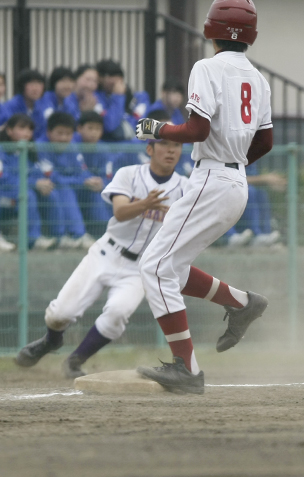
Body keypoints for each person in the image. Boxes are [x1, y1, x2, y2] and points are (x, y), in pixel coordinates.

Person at [134, 0, 272, 394]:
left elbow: (197, 129)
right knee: (170, 268)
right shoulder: (259, 80)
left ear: (210, 31)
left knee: (154, 267)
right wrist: (234, 163)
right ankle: (243, 302)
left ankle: (187, 370)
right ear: (252, 36)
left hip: (211, 177)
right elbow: (265, 141)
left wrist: (157, 128)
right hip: (235, 182)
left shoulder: (206, 67)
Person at [14, 136, 189, 378]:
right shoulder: (129, 174)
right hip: (107, 252)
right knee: (59, 315)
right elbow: (119, 211)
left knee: (117, 314)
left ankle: (75, 360)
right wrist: (145, 204)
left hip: (141, 267)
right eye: (164, 144)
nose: (171, 150)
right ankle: (51, 341)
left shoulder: (186, 188)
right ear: (150, 149)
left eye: (176, 145)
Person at [35, 112, 97, 249]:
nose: (64, 138)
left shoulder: (72, 146)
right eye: (60, 133)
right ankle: (77, 235)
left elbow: (82, 171)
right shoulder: (39, 147)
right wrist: (81, 180)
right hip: (46, 191)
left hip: (71, 186)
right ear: (49, 132)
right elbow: (53, 177)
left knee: (95, 190)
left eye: (68, 134)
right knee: (63, 188)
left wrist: (89, 179)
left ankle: (102, 234)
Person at [0, 114, 57, 251]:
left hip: (19, 192)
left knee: (52, 192)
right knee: (28, 195)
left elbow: (36, 173)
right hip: (3, 197)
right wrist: (33, 183)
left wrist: (42, 183)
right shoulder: (2, 150)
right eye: (22, 128)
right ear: (9, 130)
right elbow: (4, 179)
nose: (26, 133)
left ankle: (61, 236)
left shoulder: (29, 152)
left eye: (30, 129)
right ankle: (33, 239)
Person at [72, 111, 115, 234]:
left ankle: (105, 232)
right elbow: (75, 170)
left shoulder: (104, 149)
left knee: (104, 193)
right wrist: (86, 180)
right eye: (90, 128)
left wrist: (102, 183)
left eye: (98, 129)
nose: (94, 133)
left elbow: (108, 176)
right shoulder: (72, 144)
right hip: (77, 186)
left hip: (95, 188)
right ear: (79, 128)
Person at [226, 162, 285, 247]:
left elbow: (253, 175)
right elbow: (227, 179)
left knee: (261, 193)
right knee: (249, 191)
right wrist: (264, 179)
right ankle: (230, 237)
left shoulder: (249, 156)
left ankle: (262, 236)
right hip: (226, 189)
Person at [96, 59, 151, 141]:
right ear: (100, 78)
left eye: (118, 76)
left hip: (135, 148)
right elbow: (111, 125)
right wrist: (118, 96)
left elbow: (143, 128)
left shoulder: (139, 98)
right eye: (109, 76)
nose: (116, 81)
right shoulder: (95, 98)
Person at [35, 67, 76, 140]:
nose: (67, 85)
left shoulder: (69, 102)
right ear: (54, 83)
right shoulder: (45, 99)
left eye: (71, 81)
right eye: (63, 81)